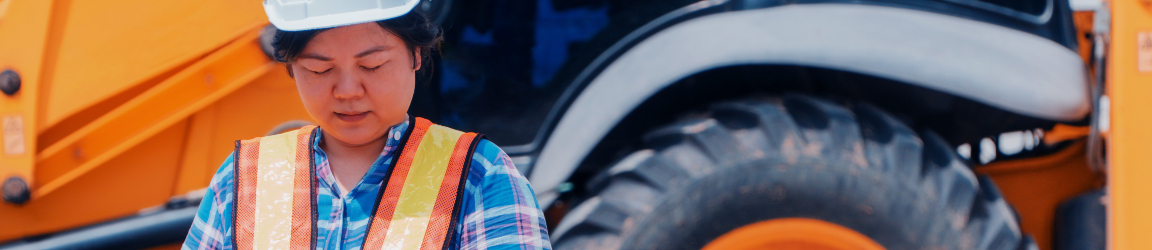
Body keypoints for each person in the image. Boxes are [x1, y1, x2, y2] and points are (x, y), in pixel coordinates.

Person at [182, 1, 551, 249]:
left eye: (371, 66)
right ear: (291, 67)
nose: (347, 91)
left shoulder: (478, 176)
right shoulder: (244, 179)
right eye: (319, 70)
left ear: (416, 54)